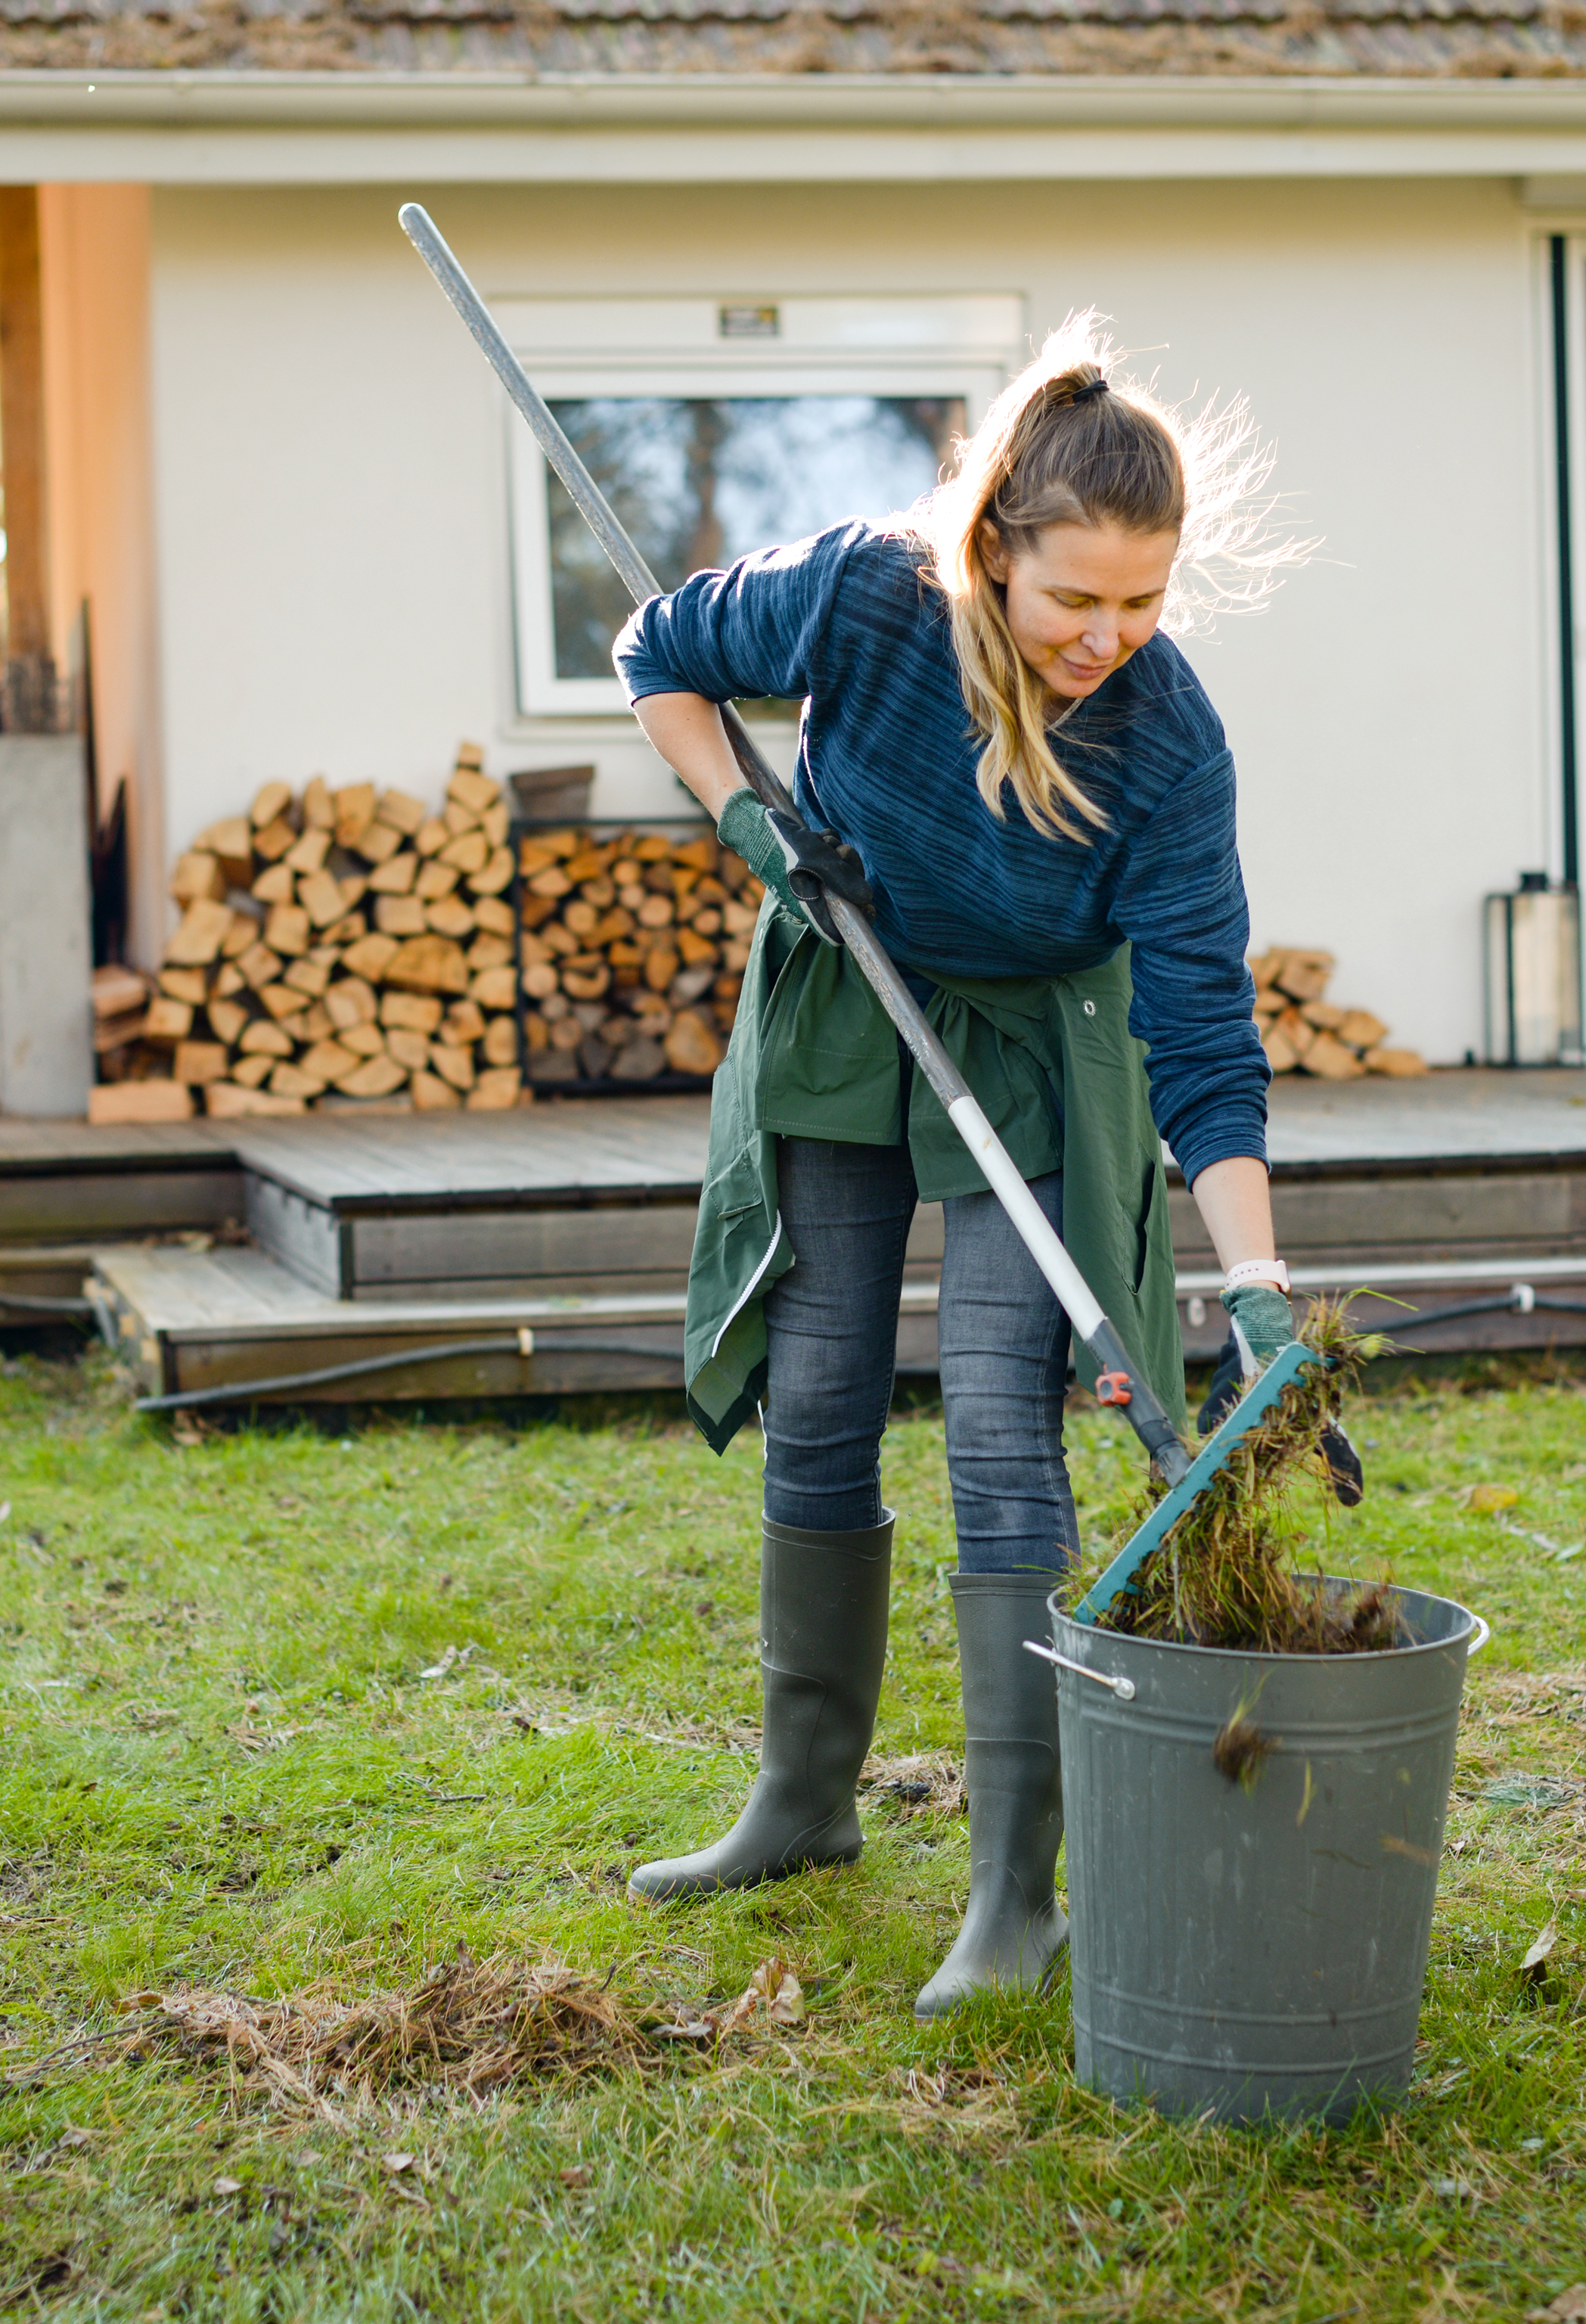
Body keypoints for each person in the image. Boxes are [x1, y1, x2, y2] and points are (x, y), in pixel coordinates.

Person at [613, 316, 1308, 2017]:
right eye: (1075, 598)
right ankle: (801, 1803)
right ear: (992, 544)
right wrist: (748, 818)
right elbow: (659, 649)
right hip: (854, 981)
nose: (1107, 638)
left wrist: (1260, 1284)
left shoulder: (1168, 743)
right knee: (822, 1393)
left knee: (999, 1425)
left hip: (1038, 1043)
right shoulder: (865, 594)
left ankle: (1015, 1897)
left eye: (1144, 601)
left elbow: (1204, 1038)